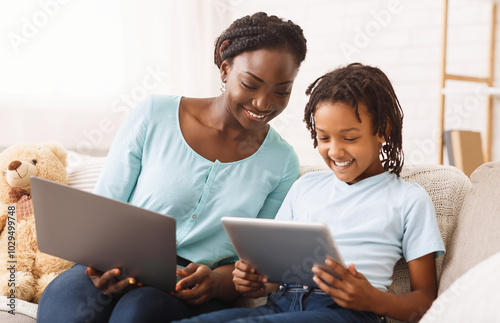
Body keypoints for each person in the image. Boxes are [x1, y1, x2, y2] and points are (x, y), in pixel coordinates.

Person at [37, 12, 307, 323]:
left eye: (281, 91)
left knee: (136, 312)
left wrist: (217, 282)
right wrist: (100, 260)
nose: (263, 103)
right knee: (69, 312)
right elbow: (104, 207)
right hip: (116, 260)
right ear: (225, 69)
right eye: (250, 84)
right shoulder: (155, 114)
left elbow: (254, 263)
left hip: (190, 286)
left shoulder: (283, 162)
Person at [174, 63, 445, 323]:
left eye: (349, 138)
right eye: (324, 138)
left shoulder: (409, 199)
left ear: (383, 130)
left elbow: (425, 303)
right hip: (280, 305)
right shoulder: (305, 187)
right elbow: (274, 275)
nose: (335, 151)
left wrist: (373, 299)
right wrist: (256, 282)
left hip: (347, 313)